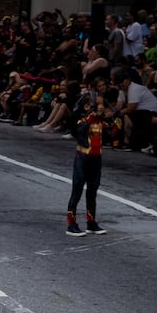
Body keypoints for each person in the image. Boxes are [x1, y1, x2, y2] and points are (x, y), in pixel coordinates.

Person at [64, 87, 109, 236]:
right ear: (88, 106)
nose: (102, 107)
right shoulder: (84, 120)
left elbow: (110, 136)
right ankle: (71, 223)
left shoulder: (101, 122)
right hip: (82, 159)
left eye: (103, 104)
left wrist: (116, 124)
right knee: (77, 191)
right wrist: (90, 118)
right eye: (99, 104)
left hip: (96, 160)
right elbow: (79, 132)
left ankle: (91, 221)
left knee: (92, 192)